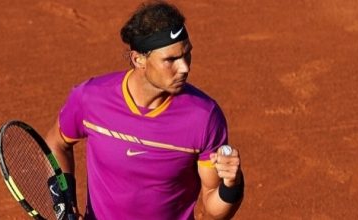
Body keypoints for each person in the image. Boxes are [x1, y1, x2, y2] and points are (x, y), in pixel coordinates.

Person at [45, 1, 244, 219]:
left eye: (187, 54)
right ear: (138, 59)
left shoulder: (204, 117)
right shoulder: (90, 99)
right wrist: (64, 205)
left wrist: (231, 185)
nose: (185, 67)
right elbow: (57, 144)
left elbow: (214, 210)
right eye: (171, 59)